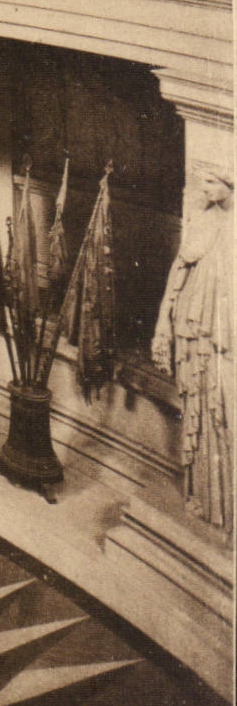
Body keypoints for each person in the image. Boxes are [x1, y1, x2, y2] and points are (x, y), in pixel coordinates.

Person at [153, 165, 232, 533]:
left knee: (223, 414)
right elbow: (179, 271)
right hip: (195, 331)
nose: (205, 189)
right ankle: (203, 497)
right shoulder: (204, 220)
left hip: (224, 338)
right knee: (199, 409)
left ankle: (225, 509)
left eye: (212, 182)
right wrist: (163, 324)